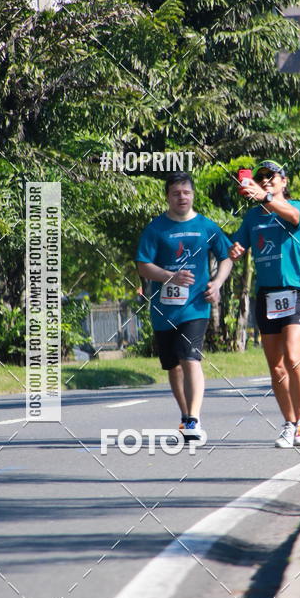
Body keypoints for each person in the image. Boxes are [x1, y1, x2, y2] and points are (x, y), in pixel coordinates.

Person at [135, 172, 233, 440]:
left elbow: (227, 257)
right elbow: (143, 265)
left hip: (196, 305)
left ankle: (193, 418)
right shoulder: (156, 228)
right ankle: (185, 414)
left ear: (193, 195)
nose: (182, 197)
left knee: (190, 357)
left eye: (186, 192)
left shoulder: (206, 226)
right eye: (176, 193)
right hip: (164, 308)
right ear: (167, 196)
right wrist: (170, 276)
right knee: (173, 365)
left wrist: (217, 282)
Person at [229, 160, 300, 448]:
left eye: (271, 176)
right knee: (276, 367)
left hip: (297, 291)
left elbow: (292, 216)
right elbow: (237, 246)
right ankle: (289, 424)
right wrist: (236, 249)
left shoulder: (298, 207)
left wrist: (266, 197)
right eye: (260, 176)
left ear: (283, 182)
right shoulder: (253, 218)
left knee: (293, 358)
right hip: (267, 296)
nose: (265, 180)